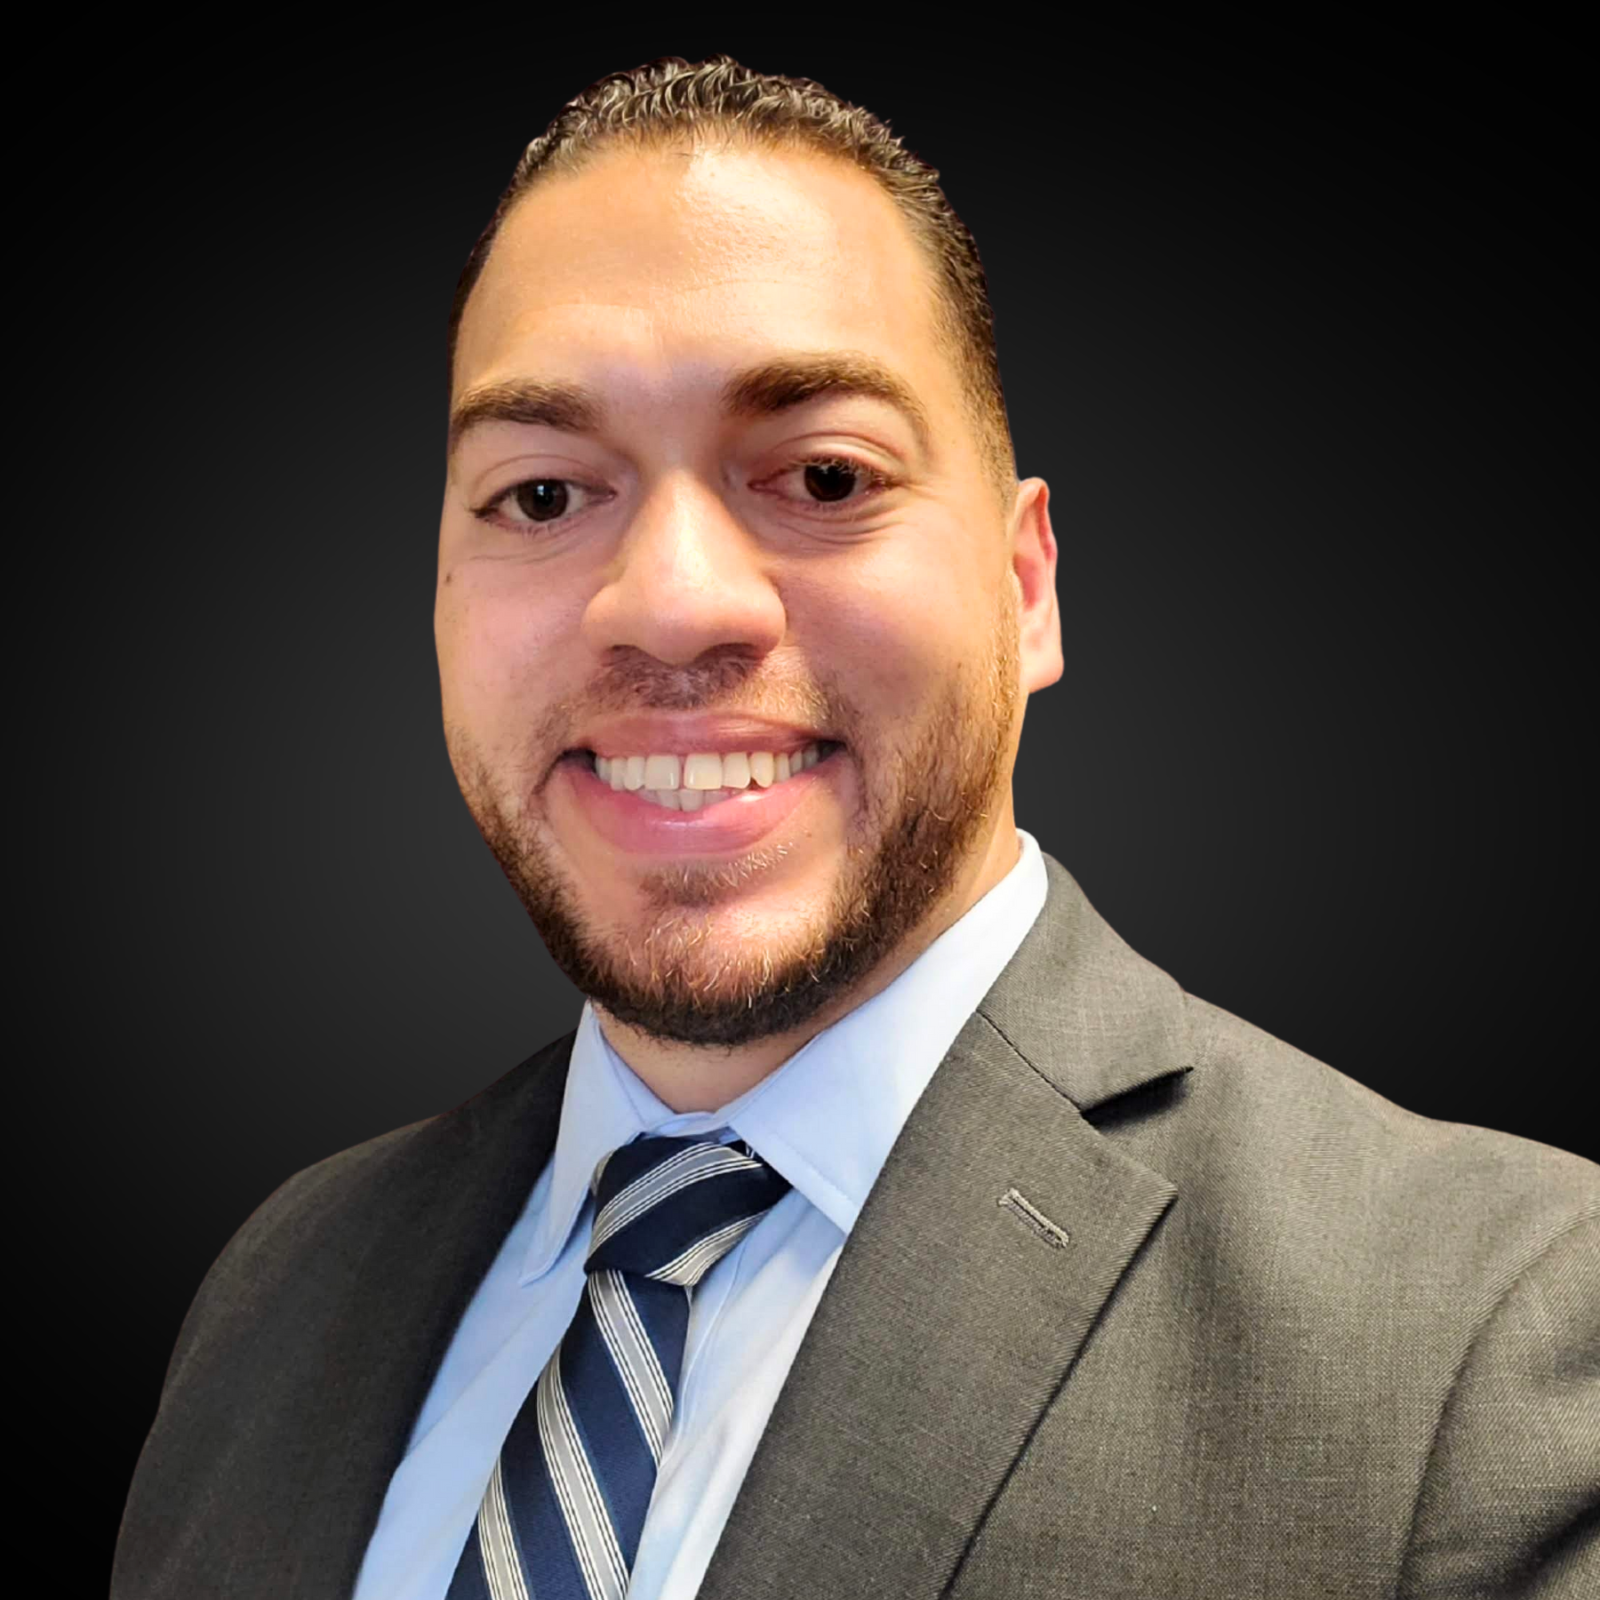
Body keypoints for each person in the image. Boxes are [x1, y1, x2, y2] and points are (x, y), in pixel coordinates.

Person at [112, 53, 1598, 1600]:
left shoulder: (1499, 1337)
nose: (670, 603)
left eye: (824, 476)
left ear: (1025, 586)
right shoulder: (280, 1287)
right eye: (542, 496)